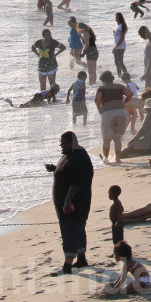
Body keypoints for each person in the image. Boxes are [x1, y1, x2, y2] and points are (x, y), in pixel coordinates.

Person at [44, 131, 93, 275]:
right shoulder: (71, 154)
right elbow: (69, 172)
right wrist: (55, 169)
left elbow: (77, 182)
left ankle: (67, 266)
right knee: (78, 230)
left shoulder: (78, 157)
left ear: (72, 142)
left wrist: (67, 201)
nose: (61, 146)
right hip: (76, 205)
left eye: (63, 143)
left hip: (74, 206)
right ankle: (81, 258)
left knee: (70, 231)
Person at [96, 72, 132, 164]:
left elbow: (97, 98)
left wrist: (99, 107)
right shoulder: (119, 86)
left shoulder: (102, 88)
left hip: (108, 113)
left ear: (103, 80)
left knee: (107, 139)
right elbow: (130, 93)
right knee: (117, 138)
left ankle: (106, 159)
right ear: (112, 78)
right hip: (120, 112)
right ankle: (118, 159)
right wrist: (124, 102)